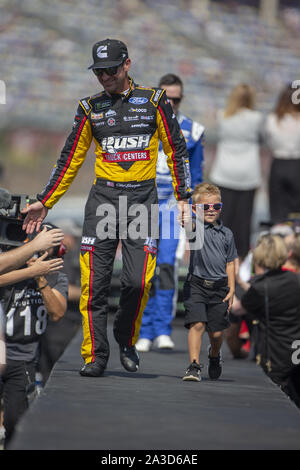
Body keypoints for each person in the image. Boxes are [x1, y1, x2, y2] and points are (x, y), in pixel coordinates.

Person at [22, 39, 192, 377]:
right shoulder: (89, 107)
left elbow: (176, 150)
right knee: (94, 286)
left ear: (127, 65)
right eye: (99, 71)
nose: (104, 77)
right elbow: (69, 159)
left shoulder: (155, 101)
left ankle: (126, 339)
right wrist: (45, 200)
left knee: (139, 282)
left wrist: (184, 197)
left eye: (110, 70)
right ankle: (95, 355)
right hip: (103, 201)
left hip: (143, 201)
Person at [136, 73, 204, 352]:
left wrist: (193, 211)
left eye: (176, 99)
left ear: (182, 98)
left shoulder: (194, 130)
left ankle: (162, 328)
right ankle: (143, 329)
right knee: (142, 270)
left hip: (173, 207)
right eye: (166, 98)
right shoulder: (141, 124)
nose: (171, 103)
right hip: (143, 203)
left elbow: (197, 174)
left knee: (165, 267)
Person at [0, 224, 68, 447]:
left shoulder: (57, 276)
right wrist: (30, 271)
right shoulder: (9, 267)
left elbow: (57, 312)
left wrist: (40, 279)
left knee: (16, 421)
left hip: (23, 358)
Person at [181, 183, 237, 381]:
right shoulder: (195, 228)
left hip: (220, 288)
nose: (211, 210)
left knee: (216, 334)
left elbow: (231, 263)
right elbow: (185, 220)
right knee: (197, 325)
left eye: (216, 206)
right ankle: (194, 365)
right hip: (196, 285)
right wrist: (184, 203)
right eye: (206, 207)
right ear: (196, 209)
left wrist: (232, 289)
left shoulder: (227, 234)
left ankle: (214, 355)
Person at [241, 234, 300, 408]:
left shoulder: (260, 287)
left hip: (275, 356)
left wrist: (237, 283)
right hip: (296, 352)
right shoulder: (296, 281)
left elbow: (238, 308)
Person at [209, 83, 263, 260]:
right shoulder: (257, 118)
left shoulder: (222, 116)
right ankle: (241, 259)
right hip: (248, 173)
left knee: (223, 218)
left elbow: (211, 134)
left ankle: (219, 256)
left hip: (224, 172)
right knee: (244, 221)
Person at [38, 219, 82, 384]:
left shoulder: (69, 257)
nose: (73, 241)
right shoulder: (55, 260)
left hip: (69, 322)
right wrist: (89, 293)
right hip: (56, 327)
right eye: (71, 237)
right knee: (54, 374)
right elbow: (63, 290)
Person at [264, 83, 300, 224]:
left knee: (278, 212)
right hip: (297, 163)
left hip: (278, 163)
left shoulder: (272, 120)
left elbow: (268, 142)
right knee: (297, 212)